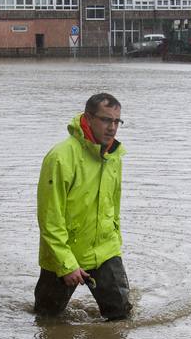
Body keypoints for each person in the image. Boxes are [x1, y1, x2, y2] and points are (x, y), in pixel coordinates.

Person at [33, 92, 132, 321]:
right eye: (106, 120)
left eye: (117, 121)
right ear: (88, 118)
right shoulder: (60, 157)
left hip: (106, 251)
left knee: (121, 318)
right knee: (47, 320)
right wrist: (66, 264)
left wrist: (115, 240)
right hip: (64, 253)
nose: (112, 128)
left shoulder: (114, 155)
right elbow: (49, 217)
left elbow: (114, 204)